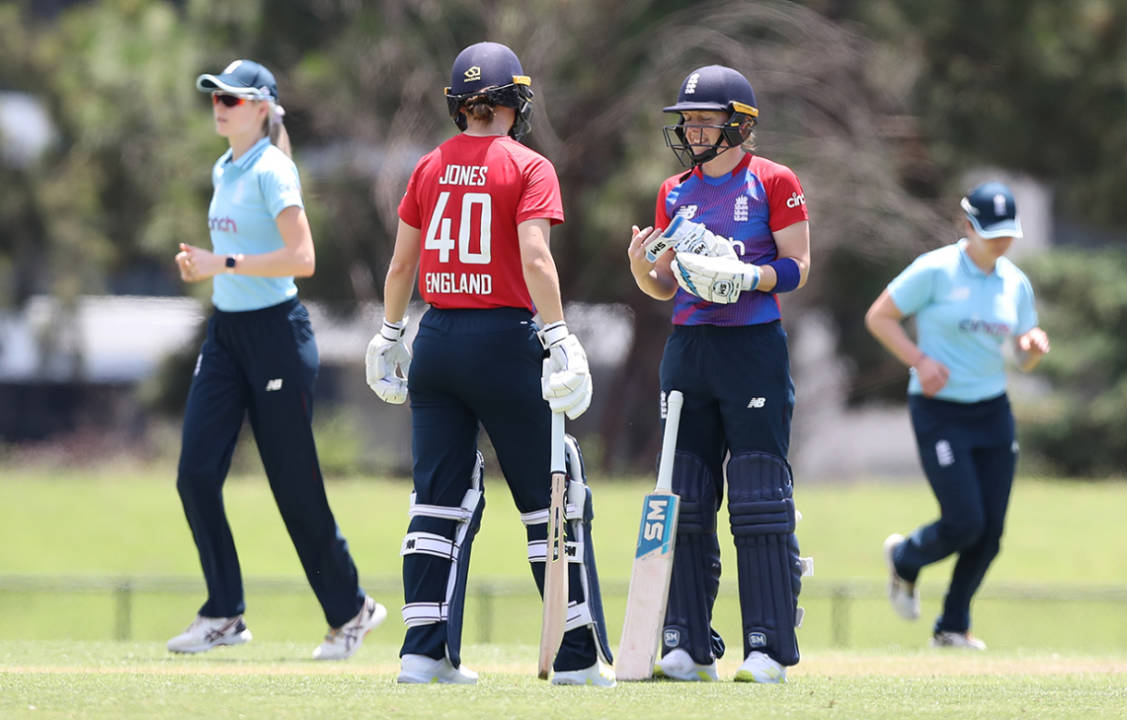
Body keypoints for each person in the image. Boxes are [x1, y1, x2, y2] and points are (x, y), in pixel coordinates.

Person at [365, 41, 613, 686]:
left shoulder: (428, 166)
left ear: (459, 105)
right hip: (505, 338)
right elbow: (535, 258)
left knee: (436, 503)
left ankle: (423, 653)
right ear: (516, 101)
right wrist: (560, 334)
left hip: (437, 339)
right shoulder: (530, 166)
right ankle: (577, 656)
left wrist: (389, 334)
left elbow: (400, 266)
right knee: (552, 497)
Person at [167, 59, 386, 659]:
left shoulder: (273, 169)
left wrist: (222, 264)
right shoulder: (224, 165)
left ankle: (352, 611)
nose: (220, 105)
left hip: (277, 339)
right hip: (226, 335)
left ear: (262, 108)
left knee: (292, 485)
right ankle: (224, 613)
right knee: (194, 474)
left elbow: (303, 257)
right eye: (215, 95)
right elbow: (240, 249)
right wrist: (207, 265)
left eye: (232, 99)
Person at [625, 65, 812, 684]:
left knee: (758, 498)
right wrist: (639, 266)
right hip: (690, 346)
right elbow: (659, 284)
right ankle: (685, 643)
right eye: (688, 120)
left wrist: (747, 276)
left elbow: (797, 266)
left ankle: (768, 648)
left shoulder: (773, 182)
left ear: (740, 124)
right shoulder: (673, 191)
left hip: (752, 346)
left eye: (706, 119)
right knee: (685, 498)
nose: (694, 130)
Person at [864, 180, 1051, 650]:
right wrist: (919, 360)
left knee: (990, 533)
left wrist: (1032, 350)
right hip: (939, 412)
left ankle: (952, 627)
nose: (1002, 241)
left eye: (1008, 233)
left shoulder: (1015, 283)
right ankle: (905, 559)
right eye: (992, 232)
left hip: (992, 410)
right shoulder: (936, 270)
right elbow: (879, 317)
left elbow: (1022, 354)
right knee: (965, 521)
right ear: (967, 226)